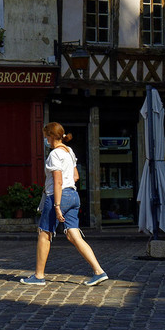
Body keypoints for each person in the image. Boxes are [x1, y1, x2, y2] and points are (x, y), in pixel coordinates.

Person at [20, 123, 109, 287]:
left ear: (51, 136)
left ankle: (39, 276)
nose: (45, 140)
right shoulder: (69, 151)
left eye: (46, 136)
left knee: (44, 233)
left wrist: (57, 205)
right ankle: (98, 271)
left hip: (58, 195)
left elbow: (58, 181)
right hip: (74, 195)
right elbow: (75, 176)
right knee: (73, 235)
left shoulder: (55, 154)